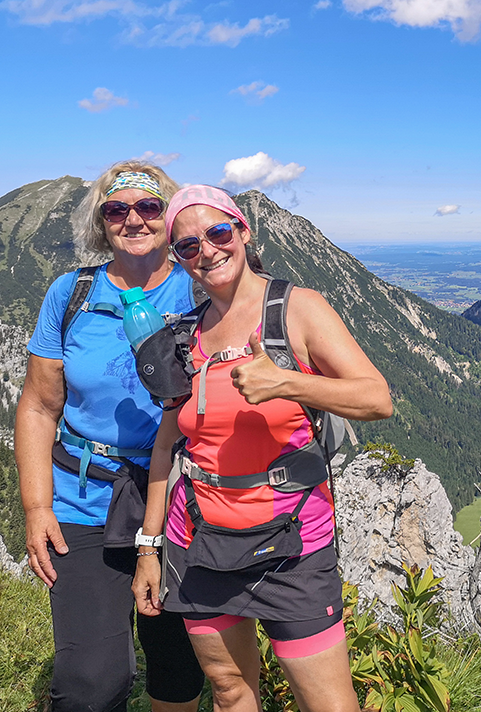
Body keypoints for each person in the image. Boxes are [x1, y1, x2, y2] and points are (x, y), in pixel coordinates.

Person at [132, 185, 392, 712]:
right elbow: (166, 447)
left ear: (243, 232)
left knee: (329, 705)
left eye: (218, 233)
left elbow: (376, 398)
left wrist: (288, 384)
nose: (207, 250)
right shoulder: (185, 336)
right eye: (187, 246)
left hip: (292, 542)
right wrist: (148, 547)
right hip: (199, 539)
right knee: (230, 692)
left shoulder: (296, 310)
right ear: (180, 260)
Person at [15, 161, 205, 712]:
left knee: (175, 664)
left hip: (177, 496)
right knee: (91, 680)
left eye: (148, 207)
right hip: (84, 495)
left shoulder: (198, 289)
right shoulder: (70, 293)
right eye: (117, 209)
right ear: (102, 222)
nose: (134, 220)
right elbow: (39, 404)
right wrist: (36, 506)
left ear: (168, 217)